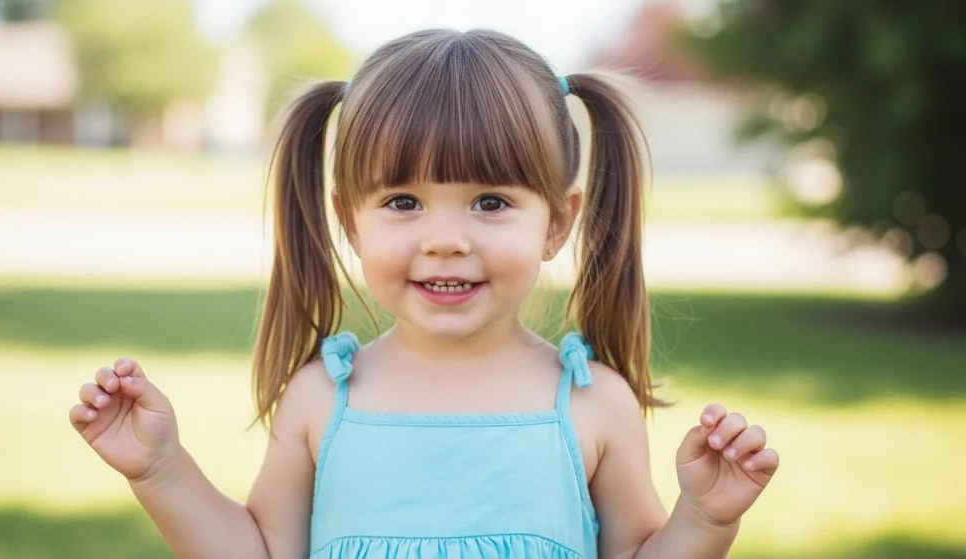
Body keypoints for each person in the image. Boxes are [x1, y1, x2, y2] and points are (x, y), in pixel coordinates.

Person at [68, 28, 778, 559]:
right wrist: (161, 469)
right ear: (350, 218)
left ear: (558, 221)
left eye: (491, 202)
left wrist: (705, 520)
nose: (444, 238)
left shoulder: (591, 403)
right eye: (404, 201)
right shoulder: (323, 398)